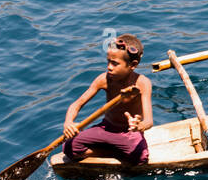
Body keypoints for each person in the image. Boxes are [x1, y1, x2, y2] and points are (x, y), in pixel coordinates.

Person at [62, 35, 153, 163]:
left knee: (141, 158)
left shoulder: (143, 83)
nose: (109, 67)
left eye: (115, 63)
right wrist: (68, 122)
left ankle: (117, 150)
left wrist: (139, 126)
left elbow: (149, 121)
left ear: (132, 65)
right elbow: (77, 104)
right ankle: (115, 152)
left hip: (128, 133)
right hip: (107, 128)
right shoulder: (104, 79)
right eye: (108, 61)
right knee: (69, 148)